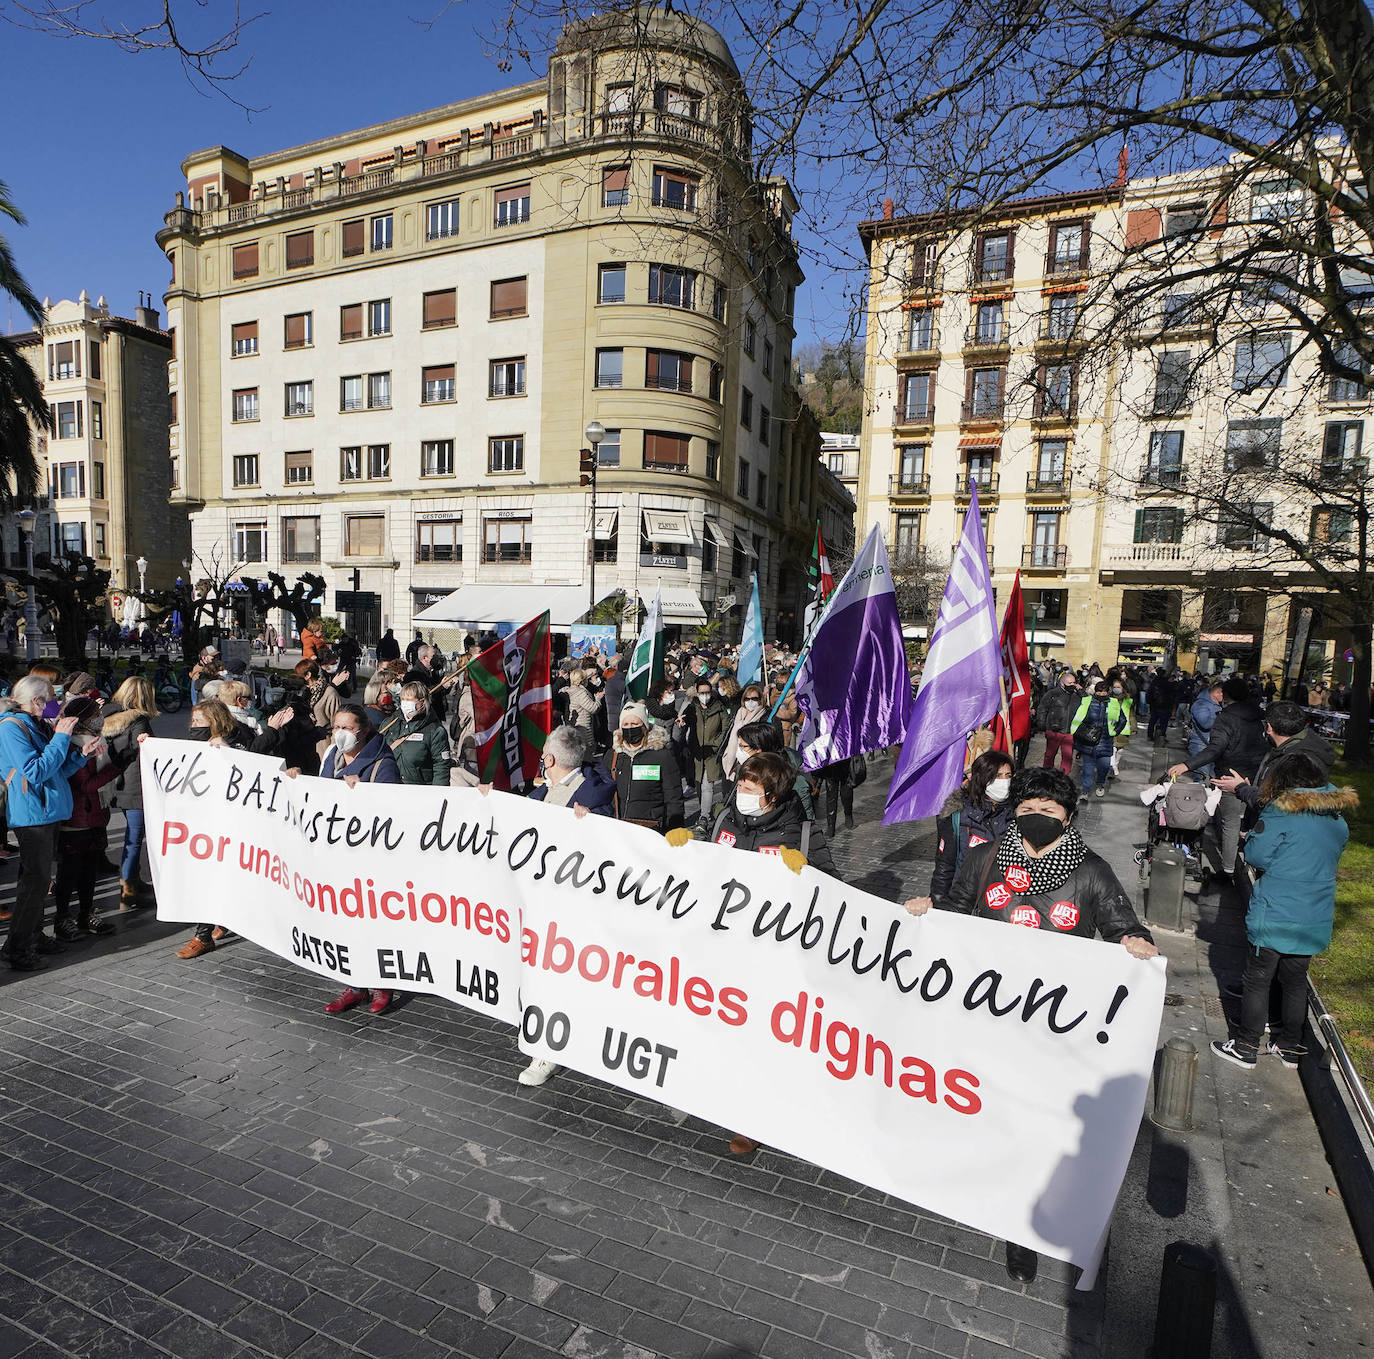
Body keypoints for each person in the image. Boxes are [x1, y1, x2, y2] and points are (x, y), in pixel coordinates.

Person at [902, 765, 1158, 1283]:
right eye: (1027, 808)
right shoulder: (985, 858)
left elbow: (1121, 922)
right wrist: (927, 913)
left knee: (1033, 1125)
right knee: (980, 1107)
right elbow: (955, 912)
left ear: (1068, 818)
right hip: (984, 1012)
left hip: (1048, 1027)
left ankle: (1019, 1231)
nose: (1037, 816)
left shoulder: (1091, 871)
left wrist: (1134, 939)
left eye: (1049, 810)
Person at [693, 749, 836, 1155]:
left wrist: (810, 875)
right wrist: (684, 848)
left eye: (750, 787)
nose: (741, 791)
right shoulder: (725, 819)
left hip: (773, 955)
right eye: (739, 783)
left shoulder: (802, 834)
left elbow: (837, 894)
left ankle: (751, 1118)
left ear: (772, 794)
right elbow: (701, 869)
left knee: (759, 1040)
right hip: (723, 946)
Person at [1212, 753, 1356, 1070]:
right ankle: (1290, 1047)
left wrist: (1252, 839)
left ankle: (1247, 1045)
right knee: (1295, 981)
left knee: (1257, 978)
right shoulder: (1336, 819)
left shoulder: (1281, 810)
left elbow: (1259, 855)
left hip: (1277, 908)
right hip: (1314, 912)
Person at [517, 725, 617, 1089]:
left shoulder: (591, 798)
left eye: (544, 753)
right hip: (541, 900)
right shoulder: (547, 791)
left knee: (560, 975)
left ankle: (548, 1049)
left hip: (572, 906)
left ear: (551, 758)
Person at [0, 676, 93, 969]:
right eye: (51, 698)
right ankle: (17, 947)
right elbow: (35, 772)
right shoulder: (10, 727)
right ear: (37, 701)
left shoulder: (35, 724)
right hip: (31, 814)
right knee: (35, 881)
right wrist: (62, 737)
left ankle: (33, 935)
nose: (55, 704)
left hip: (47, 810)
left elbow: (54, 770)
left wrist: (80, 755)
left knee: (38, 880)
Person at [316, 705, 402, 1016]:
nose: (339, 733)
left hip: (370, 860)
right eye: (336, 726)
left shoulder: (382, 765)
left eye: (347, 728)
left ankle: (382, 985)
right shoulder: (331, 756)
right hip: (339, 855)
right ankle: (355, 985)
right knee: (345, 923)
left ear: (363, 731)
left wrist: (362, 794)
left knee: (373, 924)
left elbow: (392, 811)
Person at [1168, 675, 1268, 879]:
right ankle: (1253, 864)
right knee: (1250, 820)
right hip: (1256, 773)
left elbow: (1215, 749)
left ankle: (1228, 871)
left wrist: (1186, 765)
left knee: (1230, 822)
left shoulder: (1226, 718)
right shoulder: (1258, 716)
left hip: (1230, 775)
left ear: (1226, 695)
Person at [52, 695, 128, 940]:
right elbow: (84, 785)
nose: (100, 719)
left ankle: (86, 913)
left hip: (95, 815)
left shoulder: (96, 741)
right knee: (70, 872)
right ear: (83, 720)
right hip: (76, 818)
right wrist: (117, 766)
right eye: (95, 715)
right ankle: (62, 918)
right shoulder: (71, 745)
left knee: (89, 870)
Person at [1213, 701, 1337, 816]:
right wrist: (1252, 789)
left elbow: (1275, 805)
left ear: (1269, 727)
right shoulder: (1286, 749)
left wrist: (1240, 788)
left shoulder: (1299, 762)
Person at [102, 676, 159, 907]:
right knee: (135, 838)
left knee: (132, 835)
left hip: (113, 783)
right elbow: (144, 752)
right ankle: (128, 888)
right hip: (135, 785)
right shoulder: (139, 720)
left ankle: (133, 879)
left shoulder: (106, 715)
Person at [929, 750, 1014, 902]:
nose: (1004, 781)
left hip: (1002, 902)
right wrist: (938, 904)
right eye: (998, 776)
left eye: (1008, 775)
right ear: (982, 778)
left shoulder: (1018, 813)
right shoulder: (956, 815)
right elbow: (945, 866)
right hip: (965, 899)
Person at [604, 702, 684, 832]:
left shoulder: (661, 755)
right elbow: (601, 790)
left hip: (651, 828)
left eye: (635, 724)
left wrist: (675, 827)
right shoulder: (613, 756)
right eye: (626, 724)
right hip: (619, 827)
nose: (630, 728)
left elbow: (673, 796)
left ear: (645, 726)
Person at [379, 681, 451, 786]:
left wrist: (438, 793)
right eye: (403, 699)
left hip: (419, 788)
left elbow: (441, 765)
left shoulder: (435, 730)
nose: (405, 703)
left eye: (409, 699)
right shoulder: (389, 723)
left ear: (422, 702)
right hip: (390, 784)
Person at [684, 675, 730, 821]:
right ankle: (703, 809)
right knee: (697, 785)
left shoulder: (719, 708)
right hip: (696, 752)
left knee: (707, 785)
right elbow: (683, 722)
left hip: (711, 752)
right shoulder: (692, 708)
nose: (705, 695)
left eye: (707, 692)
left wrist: (716, 745)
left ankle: (705, 815)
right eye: (702, 692)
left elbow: (725, 729)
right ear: (697, 693)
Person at [1069, 681, 1125, 799]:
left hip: (1105, 740)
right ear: (1096, 691)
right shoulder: (1087, 701)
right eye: (1100, 691)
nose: (1102, 694)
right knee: (1087, 768)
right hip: (1089, 741)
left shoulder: (1113, 703)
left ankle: (1100, 784)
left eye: (1104, 692)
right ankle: (1085, 790)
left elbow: (1122, 719)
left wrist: (1116, 731)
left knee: (1104, 766)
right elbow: (1079, 718)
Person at [1036, 671, 1079, 774]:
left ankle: (1063, 777)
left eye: (1074, 683)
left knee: (1067, 757)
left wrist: (1082, 692)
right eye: (1070, 683)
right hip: (1054, 730)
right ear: (1062, 683)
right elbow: (1042, 708)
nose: (1072, 685)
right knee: (1049, 755)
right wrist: (1042, 725)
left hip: (1069, 731)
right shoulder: (1052, 694)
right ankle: (1046, 775)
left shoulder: (1077, 695)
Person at [721, 682, 766, 781]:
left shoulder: (765, 716)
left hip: (753, 761)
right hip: (734, 760)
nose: (750, 702)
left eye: (754, 699)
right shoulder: (739, 713)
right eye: (747, 699)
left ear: (760, 700)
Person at [1187, 679, 1225, 781]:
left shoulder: (1218, 704)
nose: (1225, 696)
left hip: (1212, 746)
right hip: (1200, 746)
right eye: (1223, 693)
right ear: (1217, 693)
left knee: (1211, 779)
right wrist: (1222, 717)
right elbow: (1205, 724)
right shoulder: (1201, 704)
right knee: (1202, 778)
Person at [565, 668, 603, 736]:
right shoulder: (580, 693)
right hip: (583, 726)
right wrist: (598, 699)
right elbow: (593, 709)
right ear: (582, 680)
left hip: (574, 724)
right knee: (586, 745)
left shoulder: (570, 690)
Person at [1146, 670, 1175, 741]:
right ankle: (1162, 736)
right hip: (1165, 705)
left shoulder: (1154, 683)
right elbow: (1173, 695)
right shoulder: (1168, 684)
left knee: (1152, 721)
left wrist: (1150, 702)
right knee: (1163, 722)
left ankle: (1150, 735)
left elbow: (1149, 693)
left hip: (1155, 705)